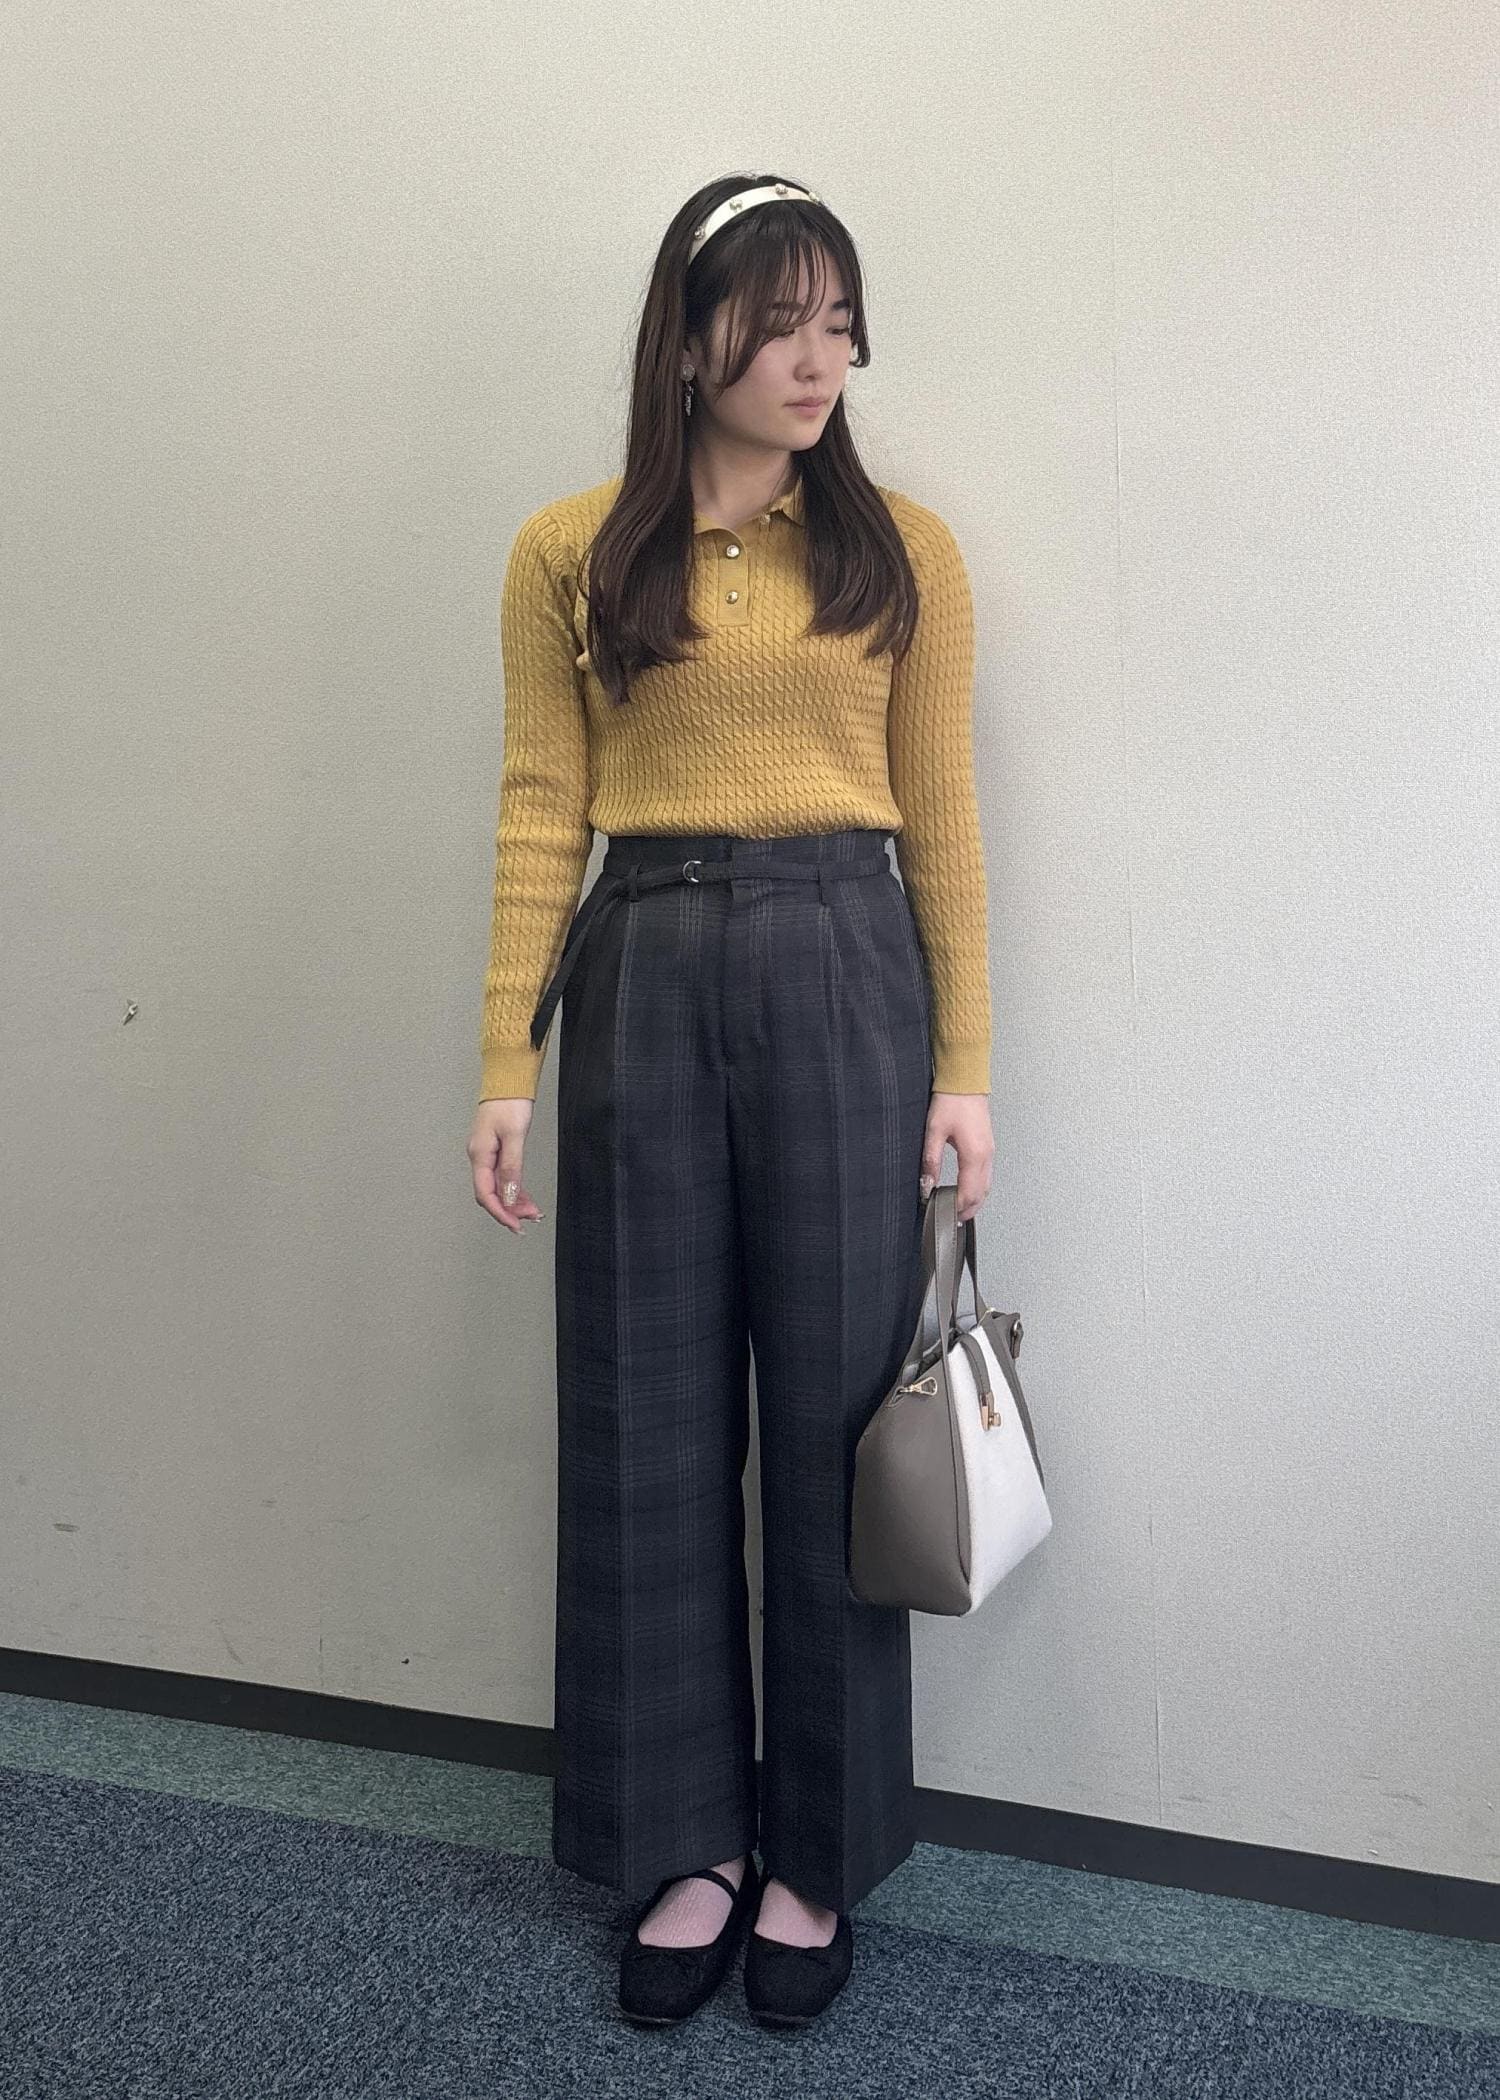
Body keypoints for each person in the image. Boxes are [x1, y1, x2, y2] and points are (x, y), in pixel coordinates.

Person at [467, 173, 995, 2031]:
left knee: (841, 1426)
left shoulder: (902, 552)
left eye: (841, 324)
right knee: (645, 1408)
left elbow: (945, 821)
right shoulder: (569, 552)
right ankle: (681, 1838)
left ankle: (814, 1856)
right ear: (689, 339)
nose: (817, 360)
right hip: (644, 962)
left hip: (847, 965)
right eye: (780, 323)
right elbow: (544, 806)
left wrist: (968, 1066)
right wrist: (505, 1057)